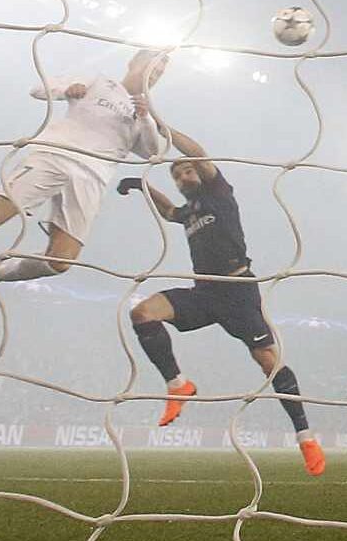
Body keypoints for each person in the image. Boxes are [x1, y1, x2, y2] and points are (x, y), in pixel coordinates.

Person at [118, 125, 324, 476]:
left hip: (239, 291)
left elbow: (197, 151)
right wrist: (142, 185)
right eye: (178, 175)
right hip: (205, 293)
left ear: (199, 172)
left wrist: (162, 127)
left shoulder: (218, 193)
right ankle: (177, 385)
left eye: (187, 170)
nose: (184, 176)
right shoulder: (189, 211)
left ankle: (305, 437)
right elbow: (169, 212)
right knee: (142, 312)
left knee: (267, 362)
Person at [0, 50, 168, 307]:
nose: (155, 74)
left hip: (92, 178)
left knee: (61, 261)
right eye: (153, 66)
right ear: (134, 63)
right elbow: (39, 89)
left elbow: (152, 153)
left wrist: (146, 119)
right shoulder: (97, 80)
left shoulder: (146, 112)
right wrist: (67, 89)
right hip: (54, 156)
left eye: (161, 72)